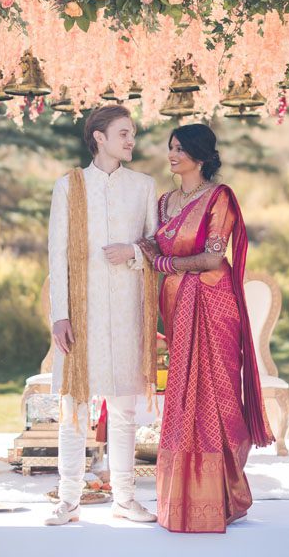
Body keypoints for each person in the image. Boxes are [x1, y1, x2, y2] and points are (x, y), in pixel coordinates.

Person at [139, 123, 273, 533]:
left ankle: (222, 493)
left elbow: (213, 259)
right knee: (182, 394)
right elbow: (153, 244)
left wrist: (161, 263)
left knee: (216, 393)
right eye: (171, 148)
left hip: (214, 305)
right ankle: (180, 497)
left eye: (180, 148)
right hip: (177, 303)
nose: (172, 155)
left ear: (200, 155)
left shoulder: (219, 198)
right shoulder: (164, 202)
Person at [44, 105, 160, 526]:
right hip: (82, 315)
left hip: (128, 311)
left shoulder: (144, 187)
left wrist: (132, 253)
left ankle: (125, 498)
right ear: (99, 137)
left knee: (125, 410)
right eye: (124, 133)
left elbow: (156, 247)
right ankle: (69, 499)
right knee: (74, 407)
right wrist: (61, 314)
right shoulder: (69, 187)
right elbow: (57, 256)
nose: (131, 141)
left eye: (132, 134)